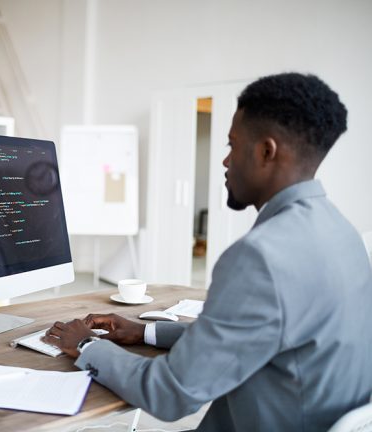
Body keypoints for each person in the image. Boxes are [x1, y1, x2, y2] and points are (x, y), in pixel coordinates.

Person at [43, 72, 372, 431]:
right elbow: (254, 339)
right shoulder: (343, 233)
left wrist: (88, 346)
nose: (225, 162)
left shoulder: (261, 257)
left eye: (232, 145)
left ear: (266, 151)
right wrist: (145, 332)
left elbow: (172, 393)